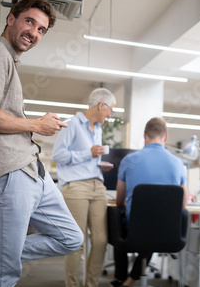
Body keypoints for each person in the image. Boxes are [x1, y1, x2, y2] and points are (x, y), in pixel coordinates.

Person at [0, 0, 84, 287]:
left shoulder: (9, 61)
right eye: (30, 22)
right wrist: (37, 124)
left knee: (70, 238)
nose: (34, 32)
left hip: (33, 173)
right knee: (4, 275)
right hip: (9, 174)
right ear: (11, 19)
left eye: (41, 29)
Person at [111, 117, 187, 287]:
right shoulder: (178, 163)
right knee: (155, 225)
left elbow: (119, 202)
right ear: (166, 137)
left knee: (118, 220)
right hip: (169, 231)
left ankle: (122, 279)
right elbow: (183, 205)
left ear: (144, 135)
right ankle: (129, 280)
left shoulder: (129, 160)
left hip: (137, 228)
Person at [52, 88, 116, 287]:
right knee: (76, 242)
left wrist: (99, 163)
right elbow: (58, 156)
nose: (110, 114)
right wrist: (88, 154)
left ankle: (91, 285)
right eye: (110, 110)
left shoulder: (97, 128)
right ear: (100, 105)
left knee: (100, 241)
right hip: (76, 187)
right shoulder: (71, 125)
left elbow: (90, 156)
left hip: (98, 186)